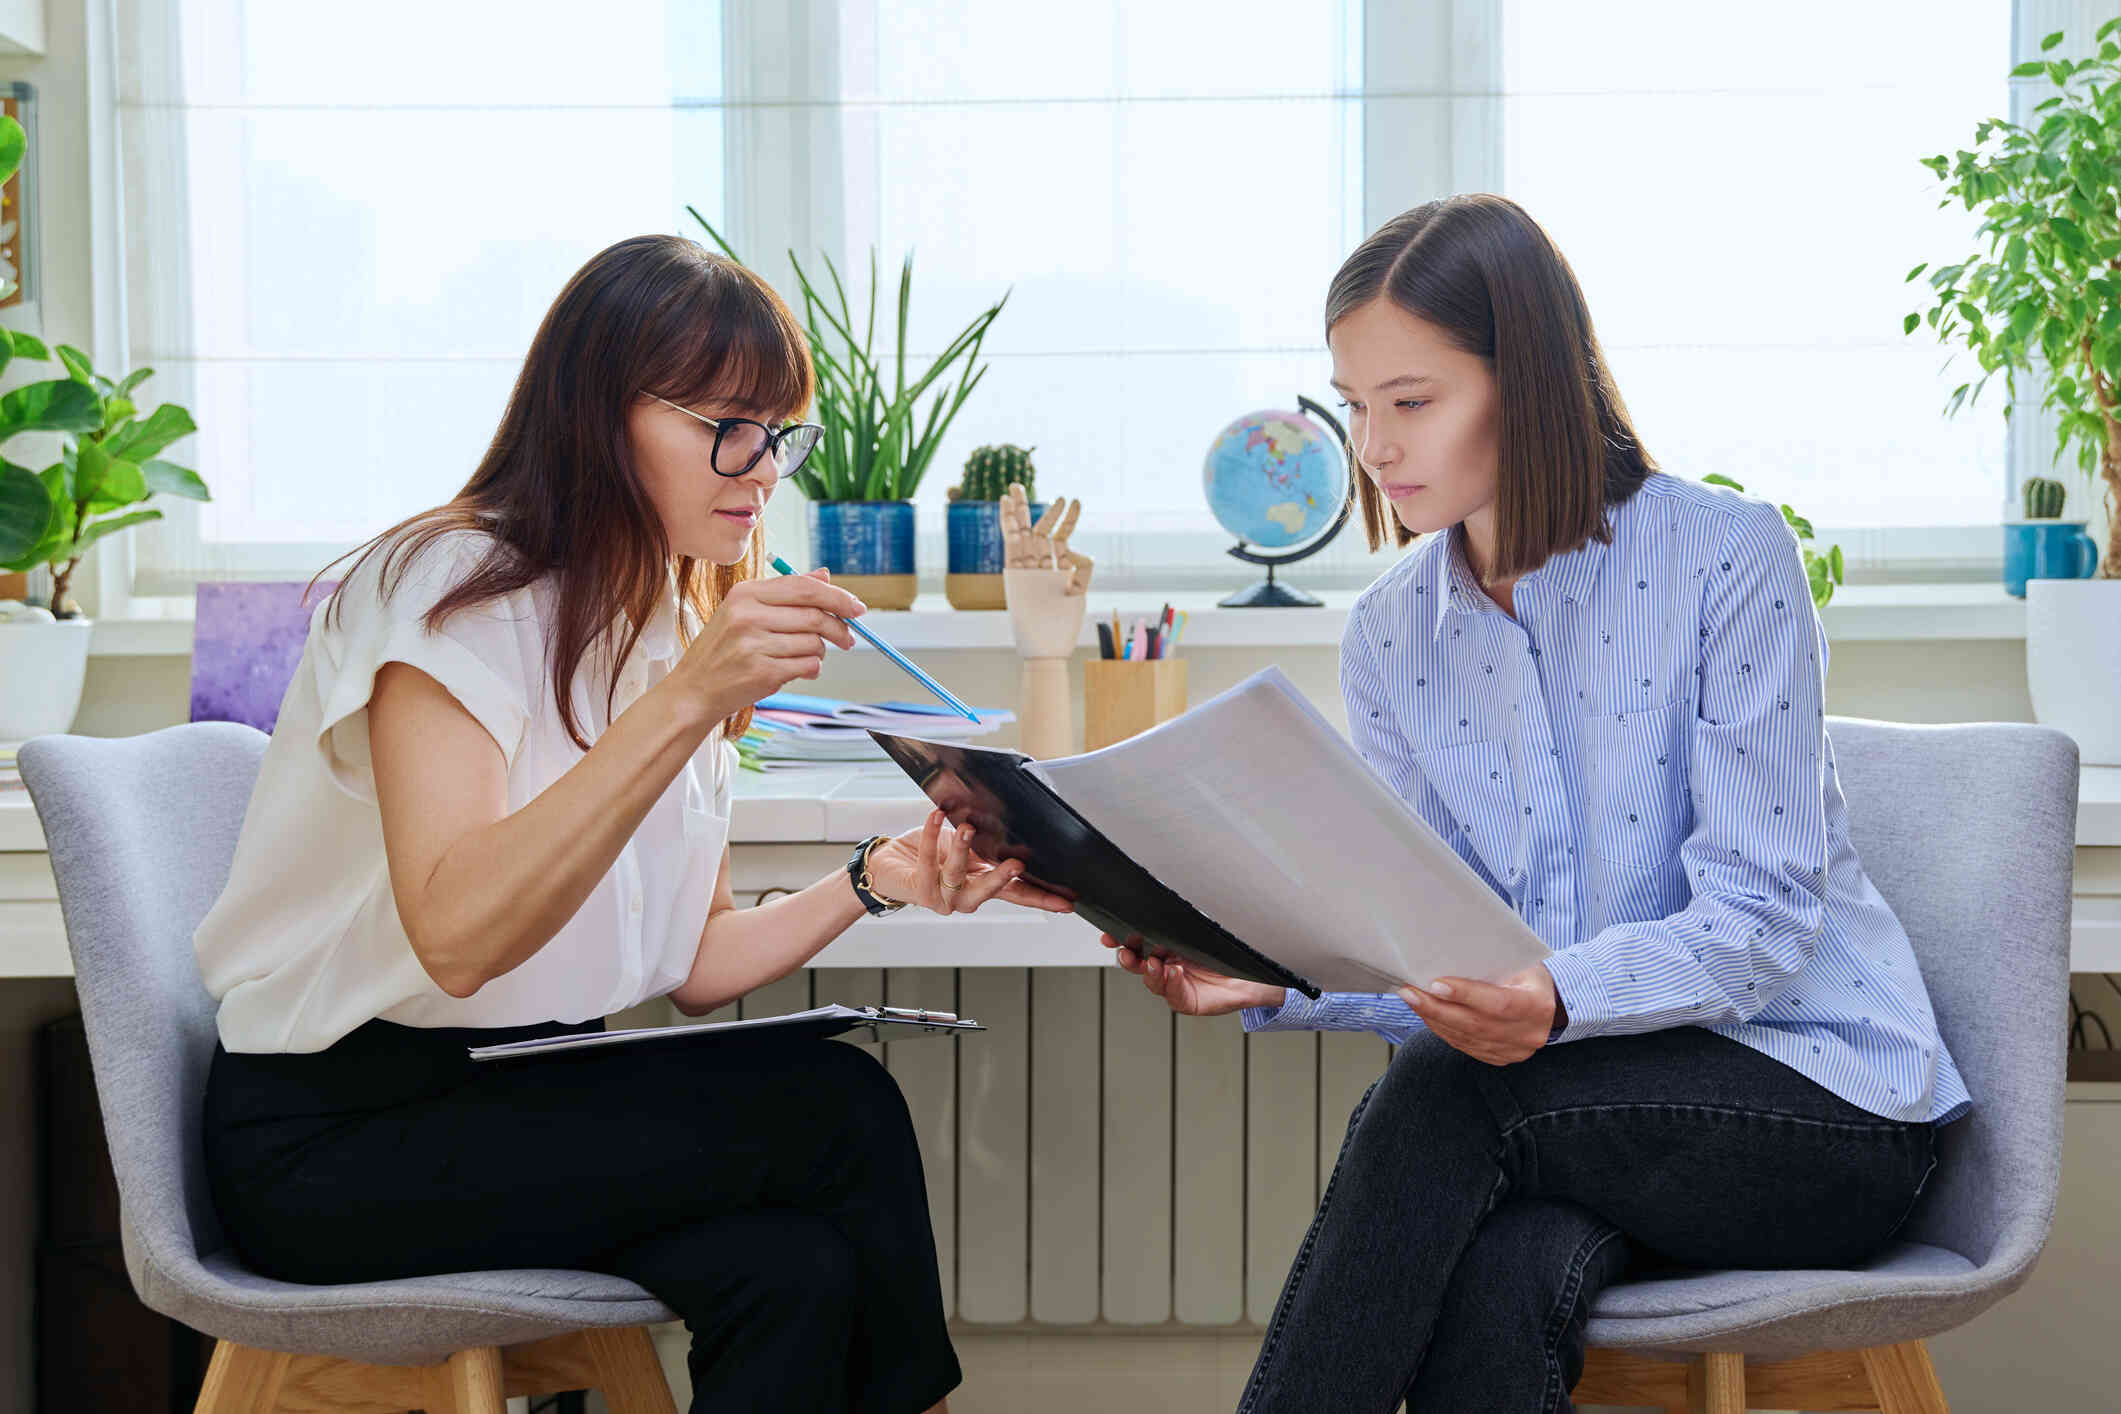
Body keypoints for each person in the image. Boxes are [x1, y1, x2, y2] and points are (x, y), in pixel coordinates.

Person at [1106, 194, 1966, 1414]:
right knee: (1509, 1273)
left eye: (1413, 402)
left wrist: (1559, 997)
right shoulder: (1395, 632)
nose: (1375, 446)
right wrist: (1275, 973)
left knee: (1457, 1088)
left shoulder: (1728, 557)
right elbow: (1434, 938)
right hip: (1578, 1118)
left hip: (1820, 1109)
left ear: (1534, 383)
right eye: (1356, 406)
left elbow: (1765, 922)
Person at [192, 234, 1070, 1414]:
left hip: (528, 1094)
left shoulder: (666, 618)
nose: (761, 468)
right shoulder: (452, 591)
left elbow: (696, 963)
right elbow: (457, 933)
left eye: (779, 434)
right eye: (727, 425)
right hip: (338, 1135)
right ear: (602, 416)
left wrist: (879, 878)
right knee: (837, 1108)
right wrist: (689, 700)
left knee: (794, 1272)